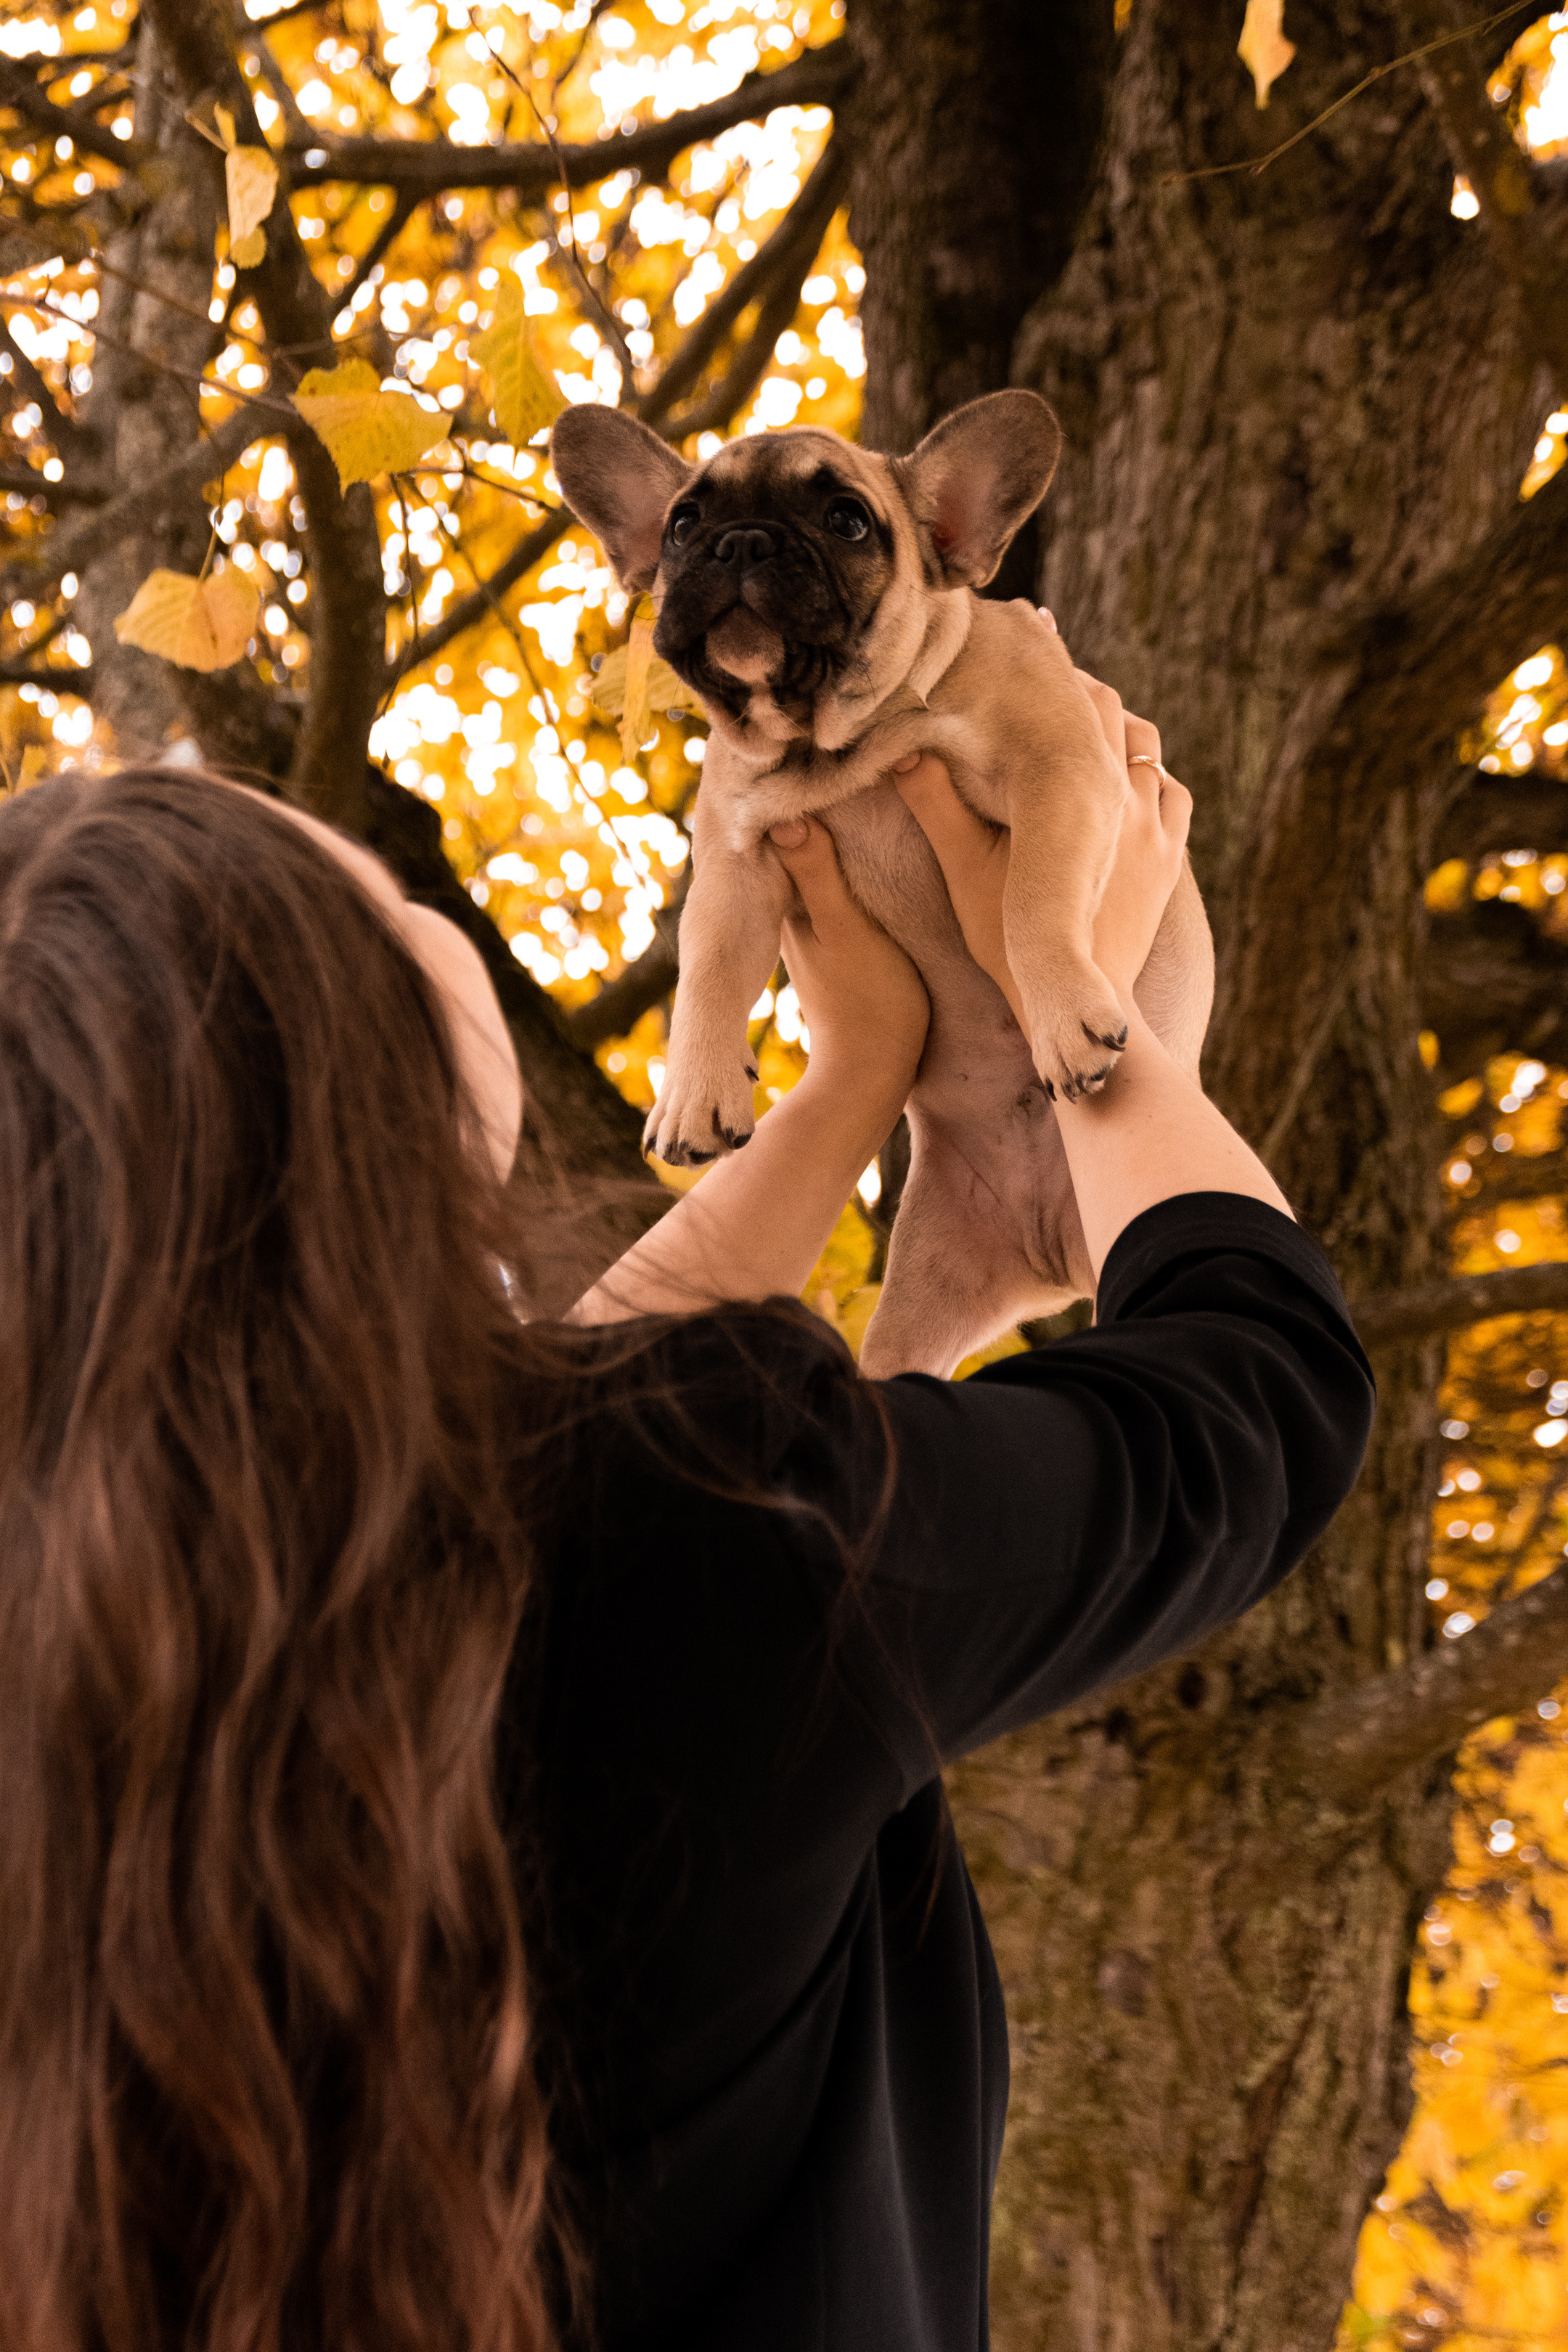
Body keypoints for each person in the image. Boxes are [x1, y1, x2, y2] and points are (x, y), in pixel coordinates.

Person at [0, 647, 1373, 2352]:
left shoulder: (106, 1639)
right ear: (363, 1086)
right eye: (337, 869)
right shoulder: (675, 1535)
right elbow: (1258, 1399)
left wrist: (852, 1097)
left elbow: (566, 1481)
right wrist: (1083, 1022)